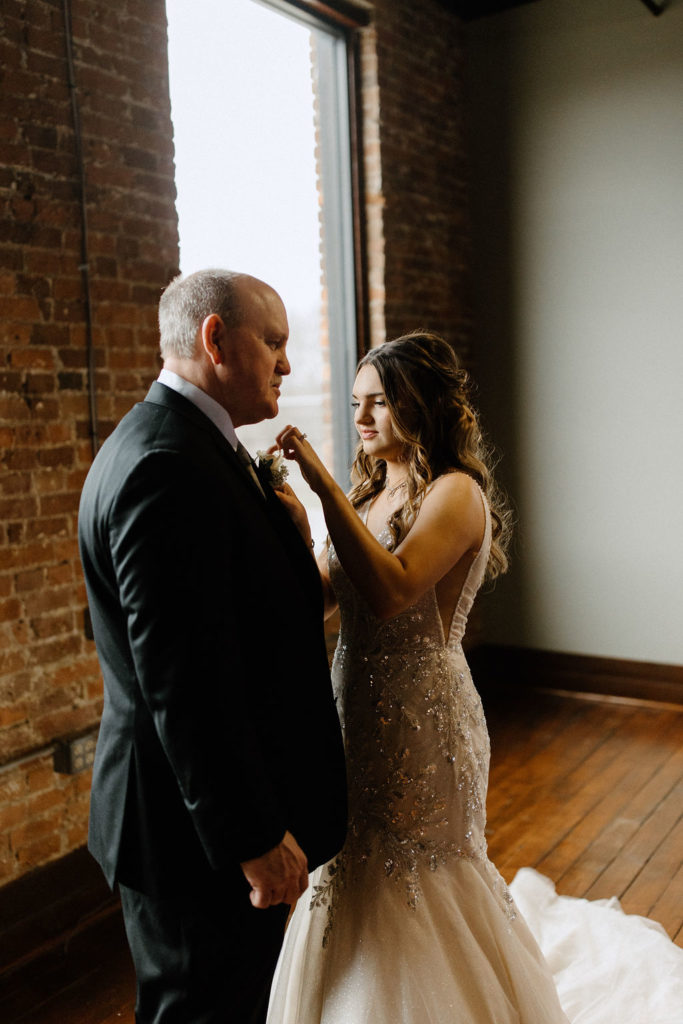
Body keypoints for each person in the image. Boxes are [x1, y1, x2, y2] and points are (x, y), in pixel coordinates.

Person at [265, 330, 571, 1022]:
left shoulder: (456, 494)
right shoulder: (368, 492)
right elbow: (318, 600)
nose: (362, 417)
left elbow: (393, 588)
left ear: (419, 403)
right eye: (354, 403)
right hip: (354, 702)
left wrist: (319, 490)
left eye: (378, 401)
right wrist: (289, 524)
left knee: (421, 870)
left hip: (423, 715)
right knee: (353, 862)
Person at [77, 269, 347, 1024]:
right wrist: (253, 838)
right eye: (275, 343)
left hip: (196, 820)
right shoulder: (167, 466)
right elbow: (183, 682)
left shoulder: (187, 446)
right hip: (190, 833)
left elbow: (240, 624)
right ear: (214, 339)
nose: (287, 365)